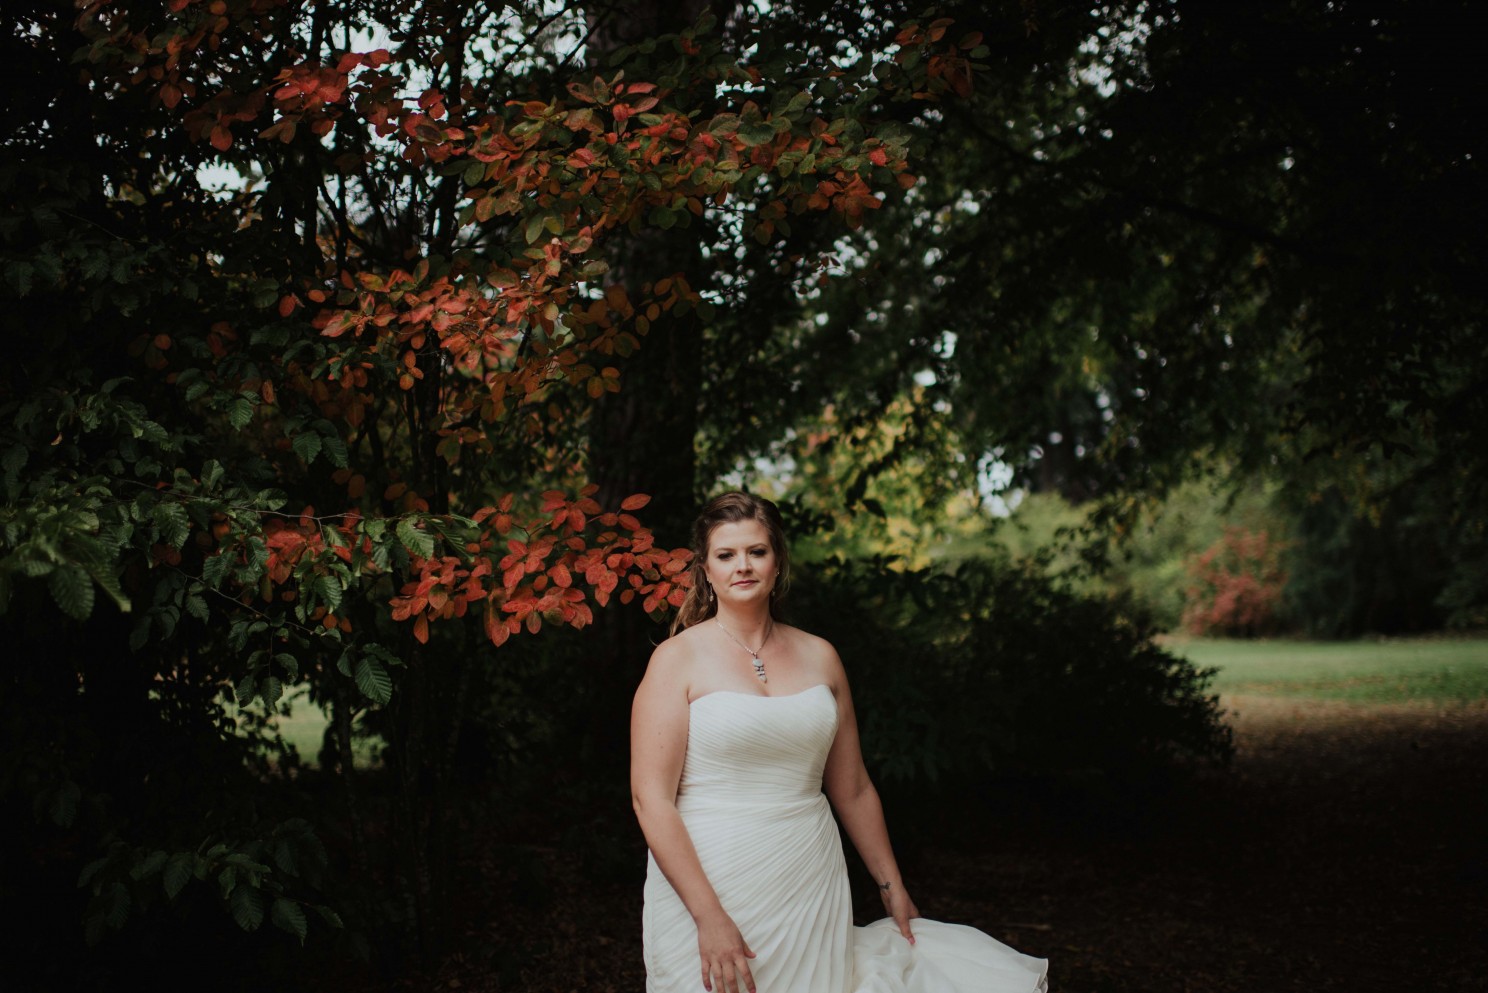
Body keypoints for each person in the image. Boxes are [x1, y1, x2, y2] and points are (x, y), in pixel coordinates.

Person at [631, 492, 1049, 993]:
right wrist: (709, 917)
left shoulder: (821, 657)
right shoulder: (676, 660)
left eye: (756, 552)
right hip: (708, 875)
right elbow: (650, 799)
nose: (742, 565)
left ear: (778, 560)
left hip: (806, 874)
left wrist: (890, 886)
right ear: (705, 569)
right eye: (726, 555)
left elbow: (851, 788)